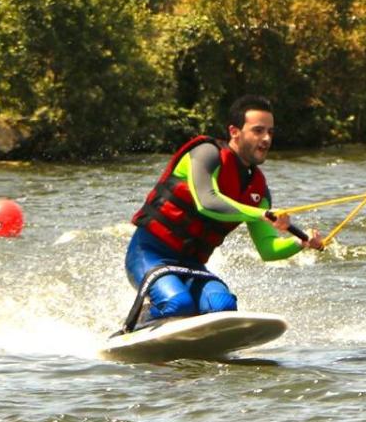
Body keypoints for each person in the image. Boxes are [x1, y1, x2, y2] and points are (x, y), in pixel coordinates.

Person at [124, 95, 324, 325]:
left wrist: (300, 243)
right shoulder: (206, 154)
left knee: (223, 306)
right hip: (149, 254)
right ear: (235, 131)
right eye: (258, 131)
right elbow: (207, 201)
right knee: (178, 304)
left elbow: (268, 249)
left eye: (270, 132)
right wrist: (260, 213)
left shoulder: (258, 190)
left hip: (191, 265)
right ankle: (140, 320)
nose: (266, 138)